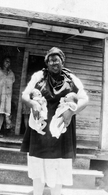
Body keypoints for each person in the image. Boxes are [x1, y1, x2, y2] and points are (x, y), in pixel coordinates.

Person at [21, 47, 89, 195]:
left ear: (62, 61)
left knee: (57, 170)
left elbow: (85, 100)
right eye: (50, 60)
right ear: (46, 62)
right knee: (38, 168)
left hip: (60, 131)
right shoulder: (39, 76)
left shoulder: (71, 78)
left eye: (56, 59)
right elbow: (25, 95)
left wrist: (71, 112)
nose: (53, 63)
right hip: (40, 130)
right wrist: (33, 104)